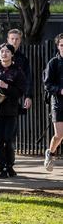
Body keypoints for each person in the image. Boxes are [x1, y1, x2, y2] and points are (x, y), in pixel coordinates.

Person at [0, 43, 27, 178]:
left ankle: (10, 165)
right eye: (2, 51)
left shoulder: (17, 71)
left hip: (10, 111)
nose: (4, 54)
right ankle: (1, 167)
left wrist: (6, 86)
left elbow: (20, 91)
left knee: (8, 140)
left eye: (7, 52)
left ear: (12, 54)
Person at [0, 29, 33, 111]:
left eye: (17, 39)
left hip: (12, 96)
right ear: (8, 40)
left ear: (20, 40)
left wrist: (28, 96)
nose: (14, 41)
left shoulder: (22, 59)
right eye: (12, 39)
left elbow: (27, 79)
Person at [44, 33, 63, 171]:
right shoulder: (53, 63)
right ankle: (50, 153)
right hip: (58, 102)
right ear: (58, 46)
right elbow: (47, 84)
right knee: (59, 134)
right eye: (62, 45)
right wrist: (60, 90)